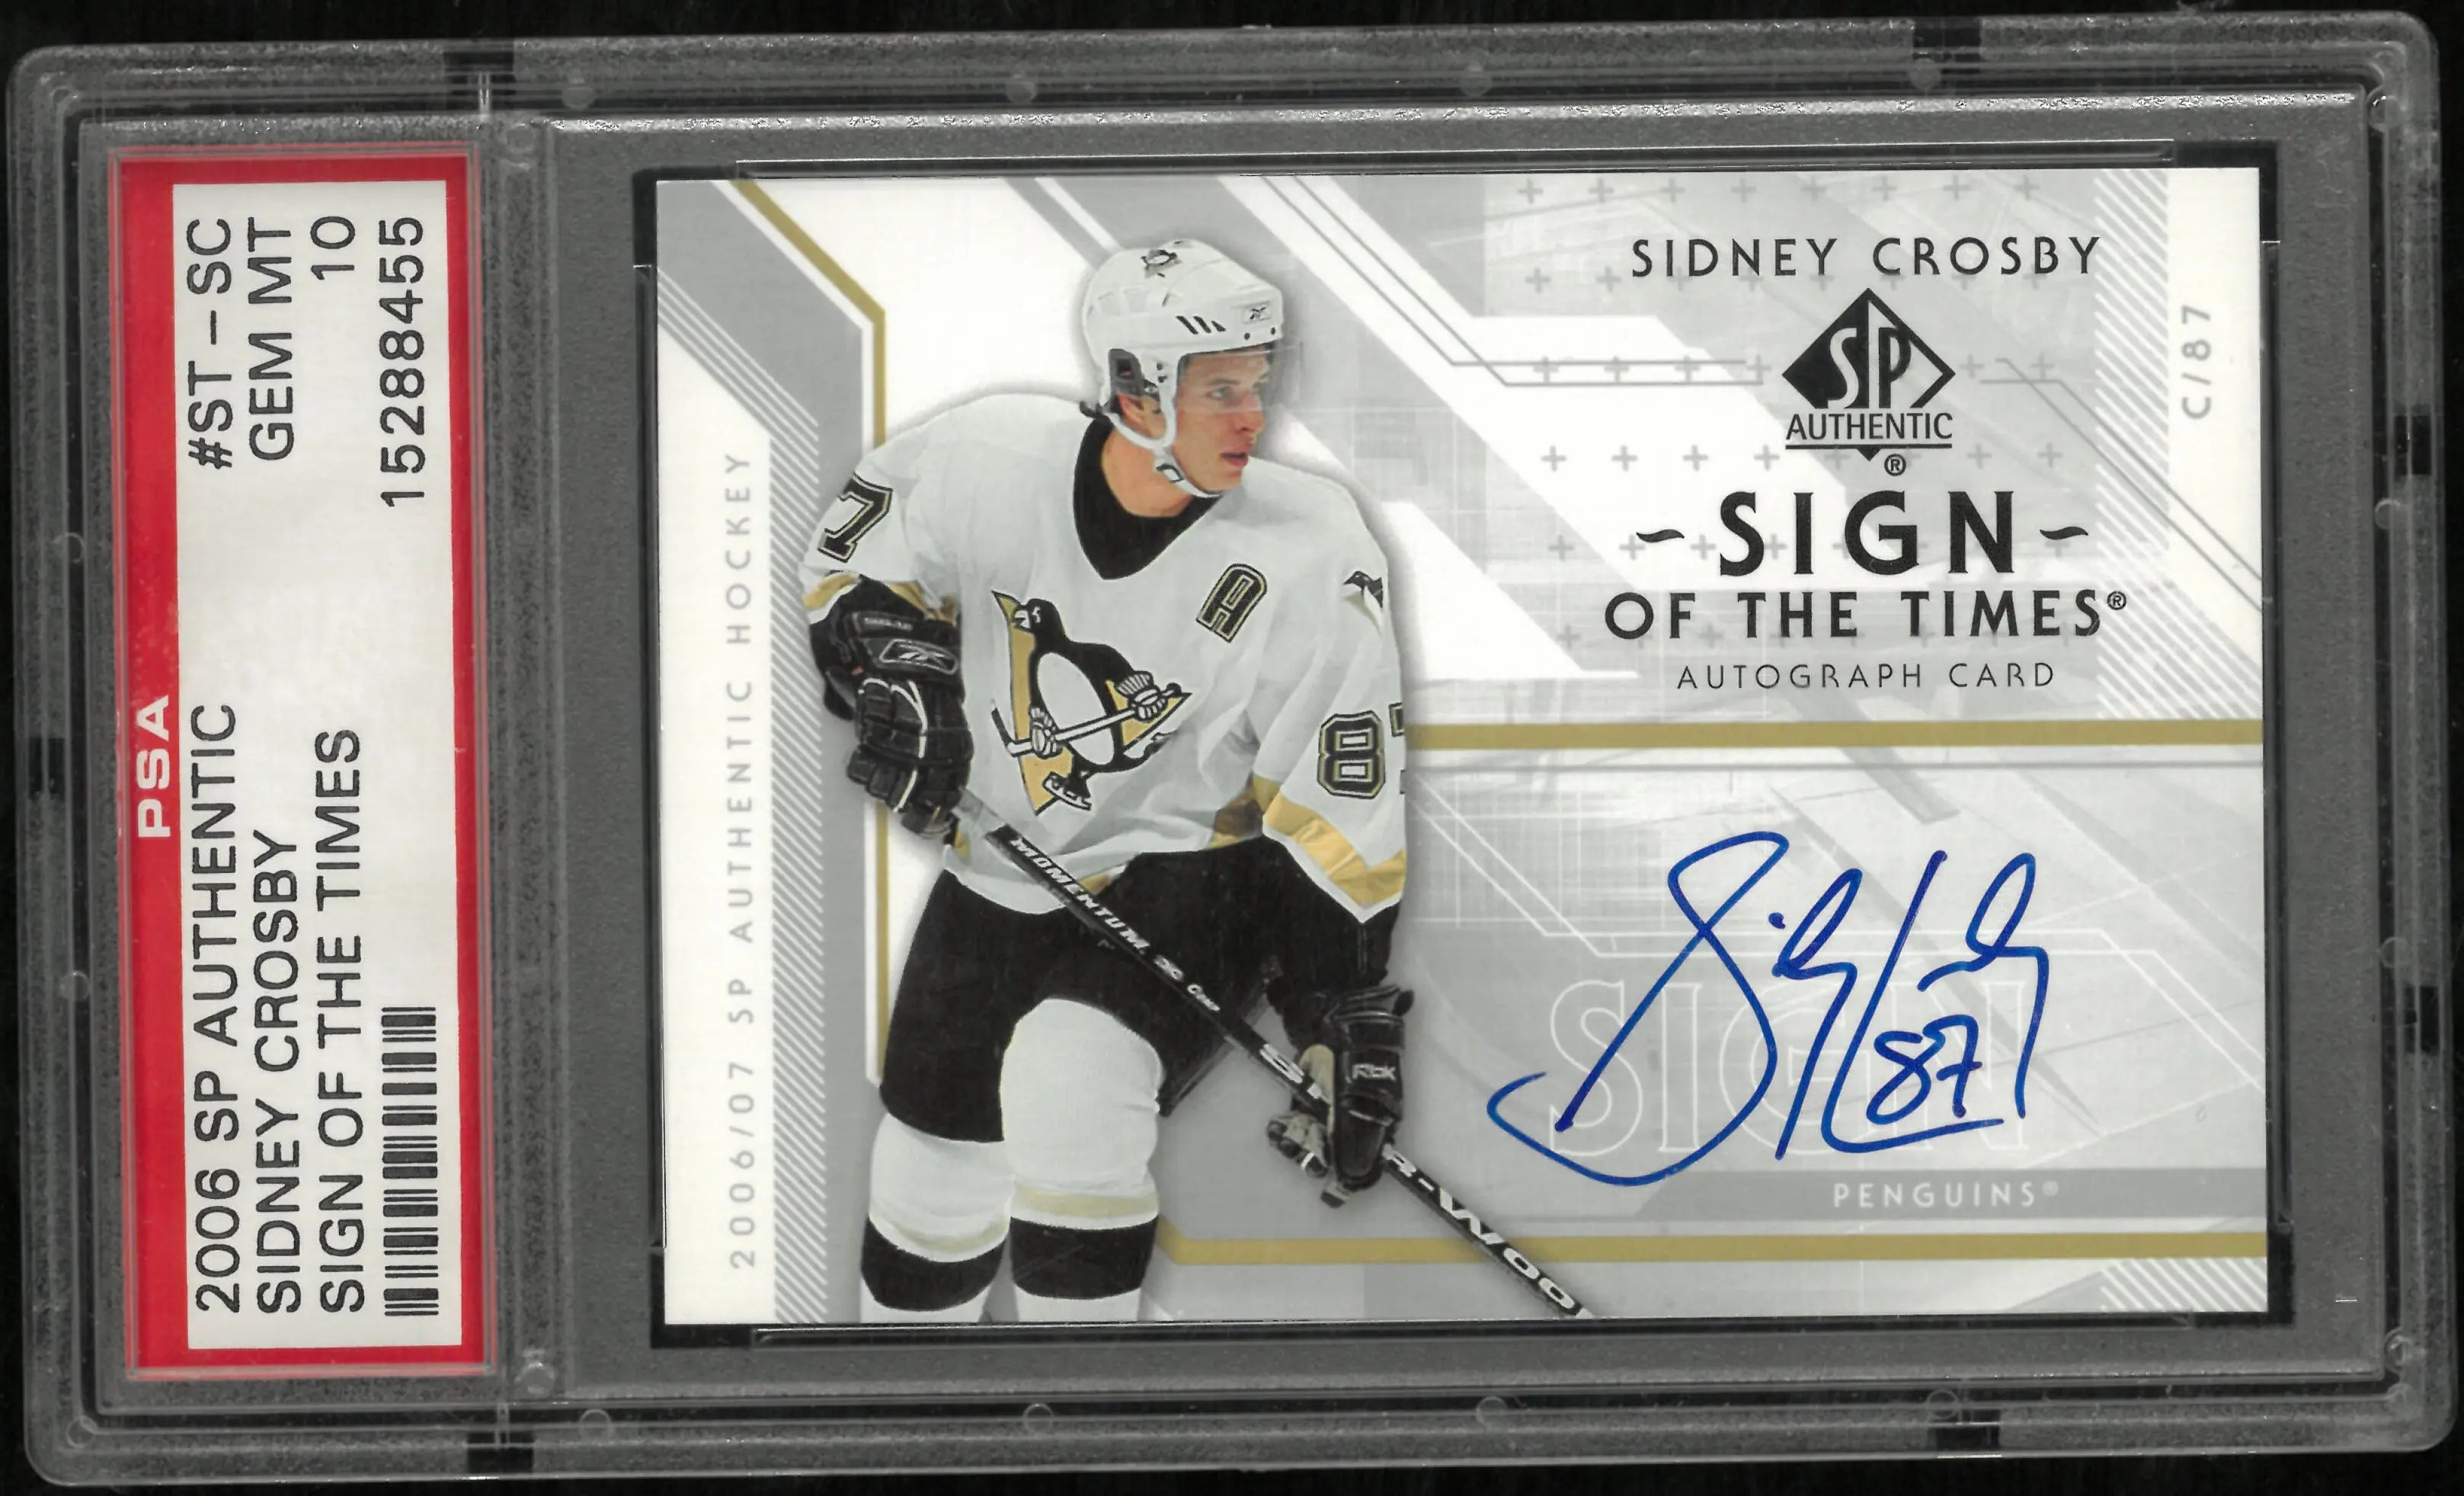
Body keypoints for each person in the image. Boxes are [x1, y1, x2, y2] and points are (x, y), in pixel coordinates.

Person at [800, 238, 1411, 1323]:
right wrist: (891, 670)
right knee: (932, 1162)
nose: (1252, 417)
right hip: (1004, 860)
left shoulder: (1312, 547)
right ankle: (901, 1398)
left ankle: (1084, 1396)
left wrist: (1334, 1010)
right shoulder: (986, 455)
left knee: (1072, 1083)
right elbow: (856, 567)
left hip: (1201, 873)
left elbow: (1338, 797)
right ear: (1134, 388)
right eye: (1219, 390)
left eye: (1258, 385)